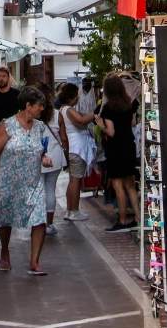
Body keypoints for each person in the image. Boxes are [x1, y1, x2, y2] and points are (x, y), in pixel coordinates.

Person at [0, 85, 53, 275]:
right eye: (39, 105)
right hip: (8, 181)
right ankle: (5, 250)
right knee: (5, 219)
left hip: (33, 182)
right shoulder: (7, 125)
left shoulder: (40, 127)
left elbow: (40, 150)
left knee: (40, 219)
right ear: (28, 105)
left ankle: (34, 262)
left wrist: (44, 158)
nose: (42, 109)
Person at [97, 74, 140, 232]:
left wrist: (100, 124)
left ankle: (122, 220)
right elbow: (132, 123)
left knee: (117, 185)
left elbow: (111, 132)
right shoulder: (128, 104)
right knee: (130, 184)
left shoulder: (108, 108)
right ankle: (137, 217)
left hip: (115, 149)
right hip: (129, 146)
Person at [56, 82, 97, 222]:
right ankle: (74, 210)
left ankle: (69, 210)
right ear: (73, 96)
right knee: (76, 181)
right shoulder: (69, 110)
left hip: (72, 148)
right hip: (78, 148)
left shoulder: (62, 110)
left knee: (72, 181)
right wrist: (95, 113)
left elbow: (63, 132)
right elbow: (81, 120)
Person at [38, 88, 68, 235]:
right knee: (50, 189)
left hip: (36, 156)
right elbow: (63, 138)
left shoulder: (31, 115)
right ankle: (49, 224)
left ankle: (38, 223)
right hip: (55, 156)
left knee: (39, 190)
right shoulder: (57, 115)